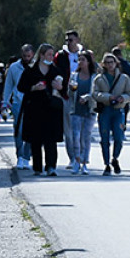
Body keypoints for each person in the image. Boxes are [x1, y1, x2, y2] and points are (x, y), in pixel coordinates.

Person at [18, 43, 65, 176]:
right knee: (36, 139)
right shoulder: (30, 70)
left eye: (52, 54)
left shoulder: (55, 70)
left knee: (51, 139)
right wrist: (33, 88)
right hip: (34, 109)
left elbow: (65, 89)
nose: (51, 57)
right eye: (49, 54)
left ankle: (51, 167)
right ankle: (37, 167)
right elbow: (21, 87)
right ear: (41, 55)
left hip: (51, 109)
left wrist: (60, 87)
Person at [92, 52, 130, 175]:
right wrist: (108, 97)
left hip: (118, 110)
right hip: (105, 110)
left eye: (112, 62)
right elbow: (95, 94)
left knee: (119, 137)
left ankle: (115, 158)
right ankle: (106, 164)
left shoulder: (124, 78)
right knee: (104, 138)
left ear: (116, 63)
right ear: (103, 64)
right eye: (107, 63)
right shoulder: (99, 78)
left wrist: (122, 98)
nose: (110, 65)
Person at [54, 29, 84, 170]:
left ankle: (82, 157)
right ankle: (72, 158)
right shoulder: (60, 56)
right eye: (67, 40)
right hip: (66, 96)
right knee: (69, 130)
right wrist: (60, 90)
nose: (68, 42)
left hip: (82, 97)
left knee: (82, 129)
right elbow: (55, 73)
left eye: (71, 39)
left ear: (77, 40)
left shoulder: (84, 55)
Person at [3, 44, 35, 169]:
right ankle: (20, 156)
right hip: (18, 102)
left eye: (29, 56)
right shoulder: (14, 67)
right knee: (19, 130)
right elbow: (8, 85)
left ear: (32, 55)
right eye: (24, 55)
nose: (26, 58)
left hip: (32, 102)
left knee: (31, 131)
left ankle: (27, 156)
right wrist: (4, 102)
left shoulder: (36, 66)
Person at [68, 51, 98, 175]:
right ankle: (76, 161)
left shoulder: (94, 77)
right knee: (75, 136)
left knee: (86, 137)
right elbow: (69, 93)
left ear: (89, 62)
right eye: (79, 60)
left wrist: (87, 97)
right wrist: (70, 89)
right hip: (76, 109)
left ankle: (85, 162)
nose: (80, 62)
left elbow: (97, 93)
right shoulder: (74, 76)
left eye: (83, 60)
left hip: (90, 110)